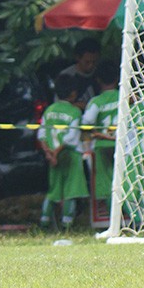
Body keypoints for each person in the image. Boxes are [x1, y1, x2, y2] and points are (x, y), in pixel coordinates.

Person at [37, 74, 87, 230]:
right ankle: (67, 225)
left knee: (54, 191)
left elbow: (42, 135)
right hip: (69, 156)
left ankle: (44, 222)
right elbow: (70, 138)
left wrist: (49, 153)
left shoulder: (49, 111)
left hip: (53, 157)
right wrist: (57, 152)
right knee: (71, 191)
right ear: (73, 93)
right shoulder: (74, 112)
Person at [82, 61, 119, 207]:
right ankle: (134, 218)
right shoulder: (126, 98)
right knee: (124, 181)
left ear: (97, 80)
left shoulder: (96, 101)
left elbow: (86, 124)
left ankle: (114, 220)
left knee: (106, 183)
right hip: (123, 145)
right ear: (117, 78)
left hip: (102, 145)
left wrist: (86, 149)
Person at [57, 37, 101, 106]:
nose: (91, 65)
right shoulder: (67, 75)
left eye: (94, 62)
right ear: (77, 58)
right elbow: (59, 104)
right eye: (87, 62)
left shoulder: (100, 73)